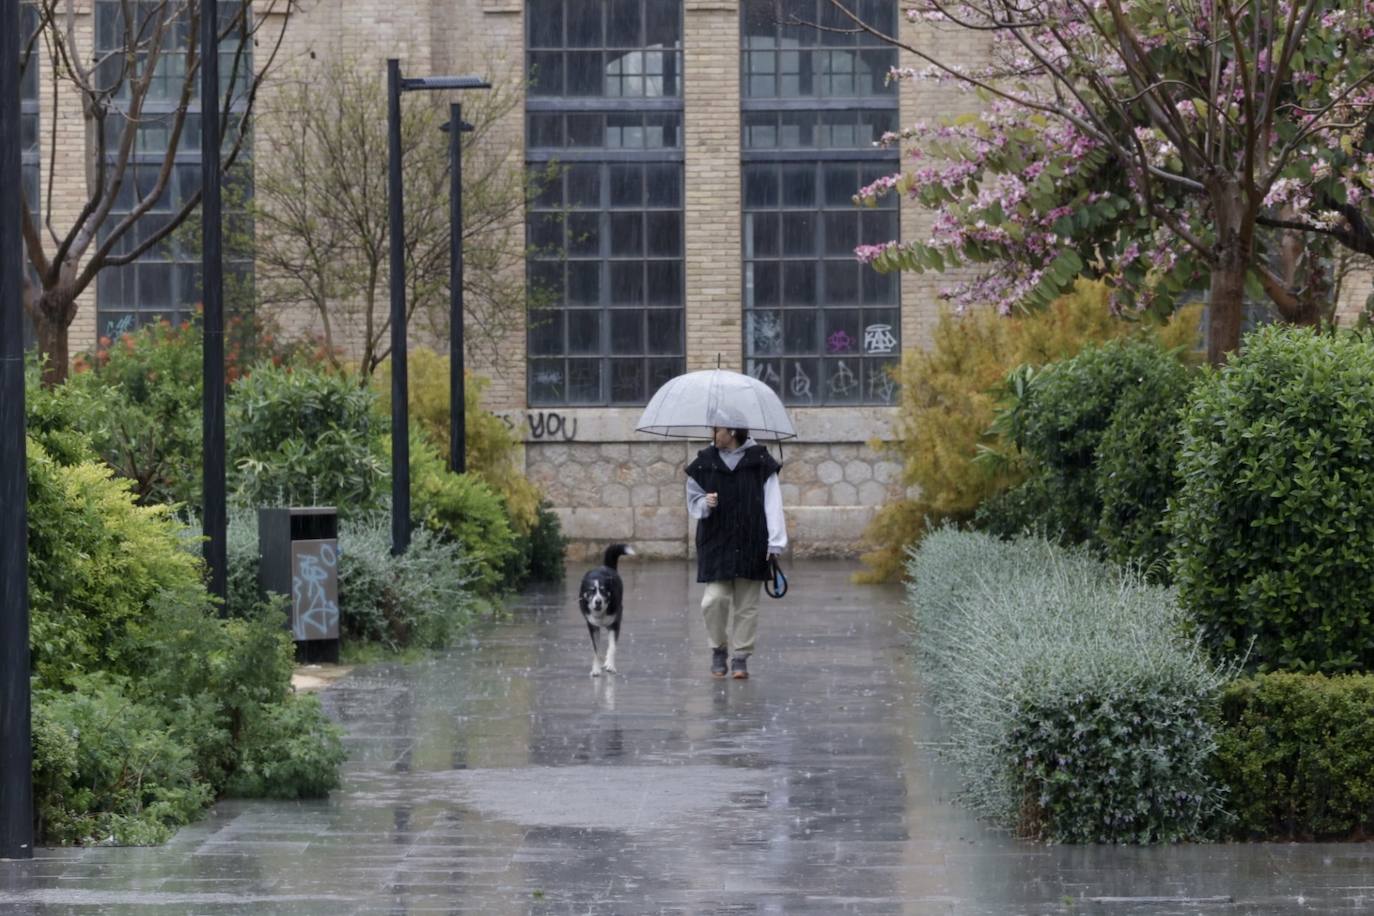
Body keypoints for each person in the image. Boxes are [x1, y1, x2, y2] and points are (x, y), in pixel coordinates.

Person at [685, 419, 787, 680]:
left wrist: (775, 542)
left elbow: (773, 503)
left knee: (747, 605)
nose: (713, 435)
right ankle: (718, 649)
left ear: (732, 431)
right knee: (713, 600)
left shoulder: (761, 462)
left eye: (716, 430)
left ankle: (740, 656)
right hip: (716, 541)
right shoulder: (704, 461)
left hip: (753, 541)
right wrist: (705, 502)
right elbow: (692, 498)